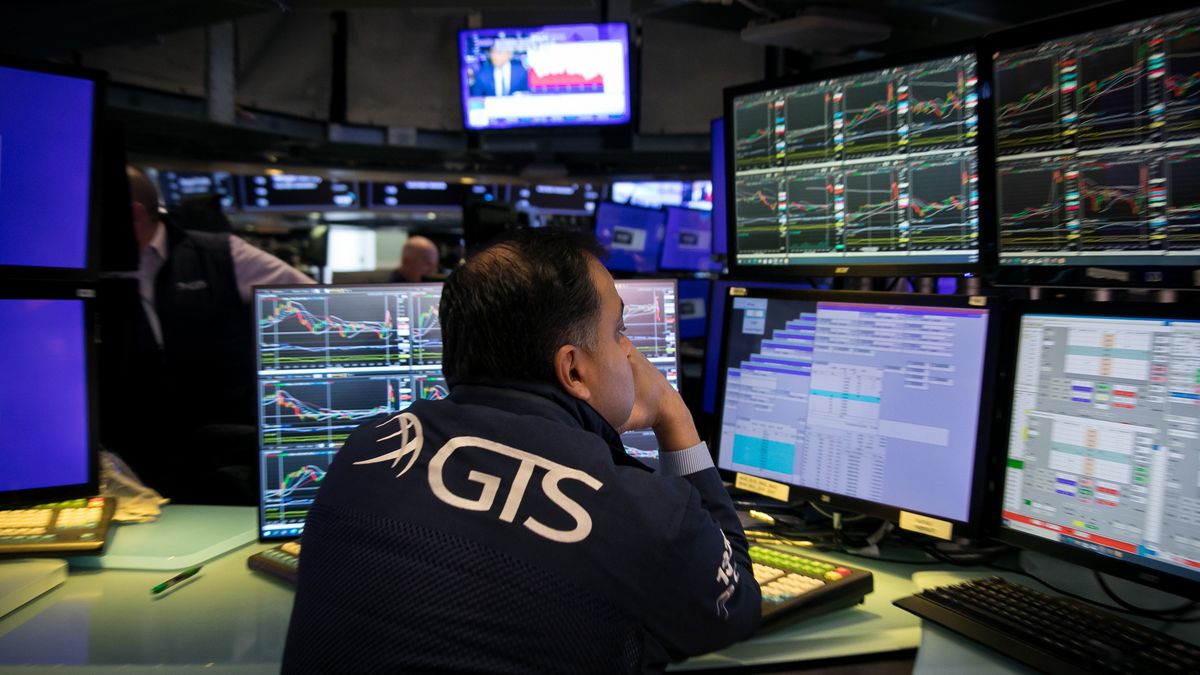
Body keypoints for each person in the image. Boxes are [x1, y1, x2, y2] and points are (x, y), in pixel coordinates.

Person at [282, 230, 761, 673]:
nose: (631, 351)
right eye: (618, 331)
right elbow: (735, 602)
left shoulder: (368, 447)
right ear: (573, 371)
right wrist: (674, 417)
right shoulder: (641, 512)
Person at [101, 167, 314, 501]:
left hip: (219, 457)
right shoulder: (86, 268)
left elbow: (315, 303)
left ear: (133, 214)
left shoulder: (220, 254)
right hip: (132, 457)